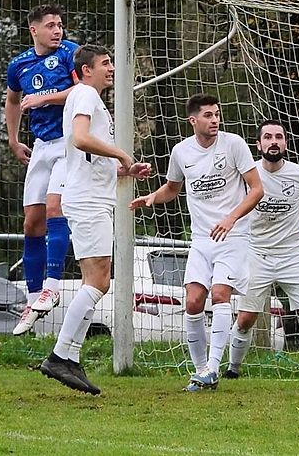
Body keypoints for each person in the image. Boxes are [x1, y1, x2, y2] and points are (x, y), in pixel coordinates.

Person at [129, 94, 263, 391]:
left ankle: (214, 368)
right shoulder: (181, 152)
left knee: (220, 295)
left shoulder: (234, 144)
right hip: (201, 240)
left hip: (233, 236)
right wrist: (153, 197)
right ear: (193, 121)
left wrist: (231, 218)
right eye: (208, 115)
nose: (215, 120)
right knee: (192, 301)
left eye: (217, 114)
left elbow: (256, 190)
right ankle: (201, 371)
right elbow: (173, 188)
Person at [38, 44, 151, 394]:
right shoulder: (85, 94)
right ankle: (60, 356)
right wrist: (120, 152)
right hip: (88, 202)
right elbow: (81, 138)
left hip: (92, 198)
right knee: (98, 281)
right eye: (105, 63)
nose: (112, 68)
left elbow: (87, 156)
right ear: (86, 70)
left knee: (97, 281)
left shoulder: (91, 99)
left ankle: (69, 357)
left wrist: (124, 169)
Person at [224, 119, 299, 383]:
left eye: (279, 137)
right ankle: (232, 369)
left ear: (285, 143)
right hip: (256, 255)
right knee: (245, 318)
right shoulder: (248, 173)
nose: (273, 142)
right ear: (259, 144)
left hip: (293, 256)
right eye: (268, 137)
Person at [5, 5, 79, 335]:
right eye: (50, 25)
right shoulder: (19, 64)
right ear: (33, 30)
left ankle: (52, 285)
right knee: (32, 221)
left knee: (54, 209)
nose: (57, 30)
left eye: (60, 25)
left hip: (68, 142)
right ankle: (33, 299)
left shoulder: (70, 53)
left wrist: (44, 99)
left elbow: (83, 92)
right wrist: (13, 139)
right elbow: (12, 100)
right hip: (40, 146)